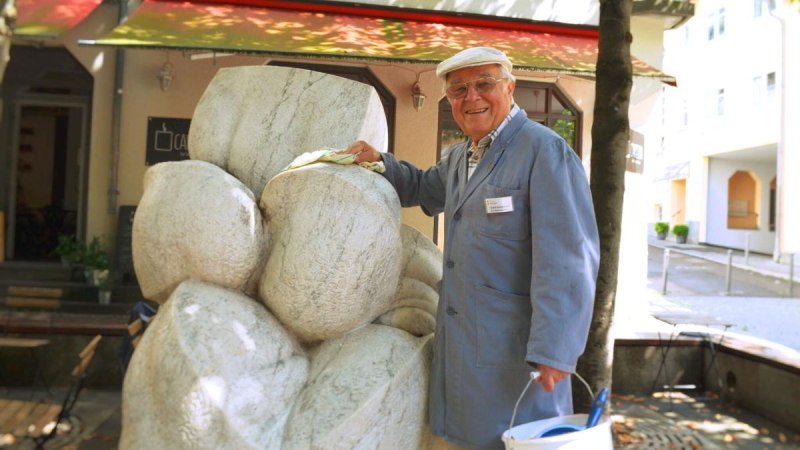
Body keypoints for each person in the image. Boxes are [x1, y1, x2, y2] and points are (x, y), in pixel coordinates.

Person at [347, 47, 599, 450]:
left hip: (521, 357)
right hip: (467, 344)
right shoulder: (462, 154)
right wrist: (382, 163)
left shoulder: (544, 150)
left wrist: (556, 349)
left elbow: (570, 258)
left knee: (518, 440)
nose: (472, 97)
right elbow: (424, 187)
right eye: (459, 89)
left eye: (485, 84)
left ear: (510, 87)